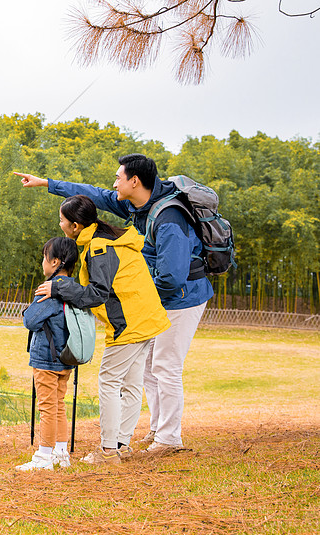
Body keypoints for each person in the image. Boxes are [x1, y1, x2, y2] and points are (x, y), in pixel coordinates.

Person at [14, 154, 214, 455]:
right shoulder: (134, 205)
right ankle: (136, 438)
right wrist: (47, 183)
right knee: (144, 372)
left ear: (135, 181)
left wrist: (133, 294)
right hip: (147, 308)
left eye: (118, 178)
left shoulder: (167, 218)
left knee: (160, 368)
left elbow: (171, 277)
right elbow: (93, 195)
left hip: (182, 297)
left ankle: (153, 441)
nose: (113, 183)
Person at [34, 195, 170, 464]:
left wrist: (58, 287)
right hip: (146, 318)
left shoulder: (99, 247)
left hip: (129, 323)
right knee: (131, 384)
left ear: (75, 225)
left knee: (109, 382)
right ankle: (120, 444)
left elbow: (97, 293)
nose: (59, 224)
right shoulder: (107, 239)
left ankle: (108, 451)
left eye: (61, 220)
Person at [16, 237, 79, 471]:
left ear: (54, 262)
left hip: (46, 359)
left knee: (47, 407)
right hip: (66, 358)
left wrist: (29, 309)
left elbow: (30, 320)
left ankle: (43, 457)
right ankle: (61, 454)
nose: (42, 262)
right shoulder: (74, 289)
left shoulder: (48, 290)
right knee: (59, 405)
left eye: (44, 257)